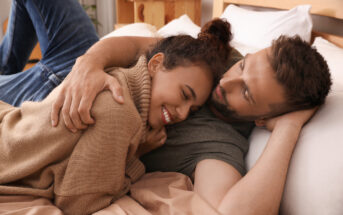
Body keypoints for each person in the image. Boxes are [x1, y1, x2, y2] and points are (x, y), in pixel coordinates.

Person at [0, 0, 332, 214]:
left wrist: (288, 128)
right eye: (243, 68)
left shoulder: (220, 145)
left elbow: (235, 212)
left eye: (245, 93)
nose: (226, 81)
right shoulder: (224, 58)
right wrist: (87, 67)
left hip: (50, 93)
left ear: (263, 117)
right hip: (78, 70)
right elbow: (142, 47)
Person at [0, 1, 233, 214]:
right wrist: (136, 160)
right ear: (156, 63)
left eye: (192, 110)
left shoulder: (124, 79)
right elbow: (80, 204)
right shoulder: (121, 113)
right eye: (184, 95)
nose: (182, 114)